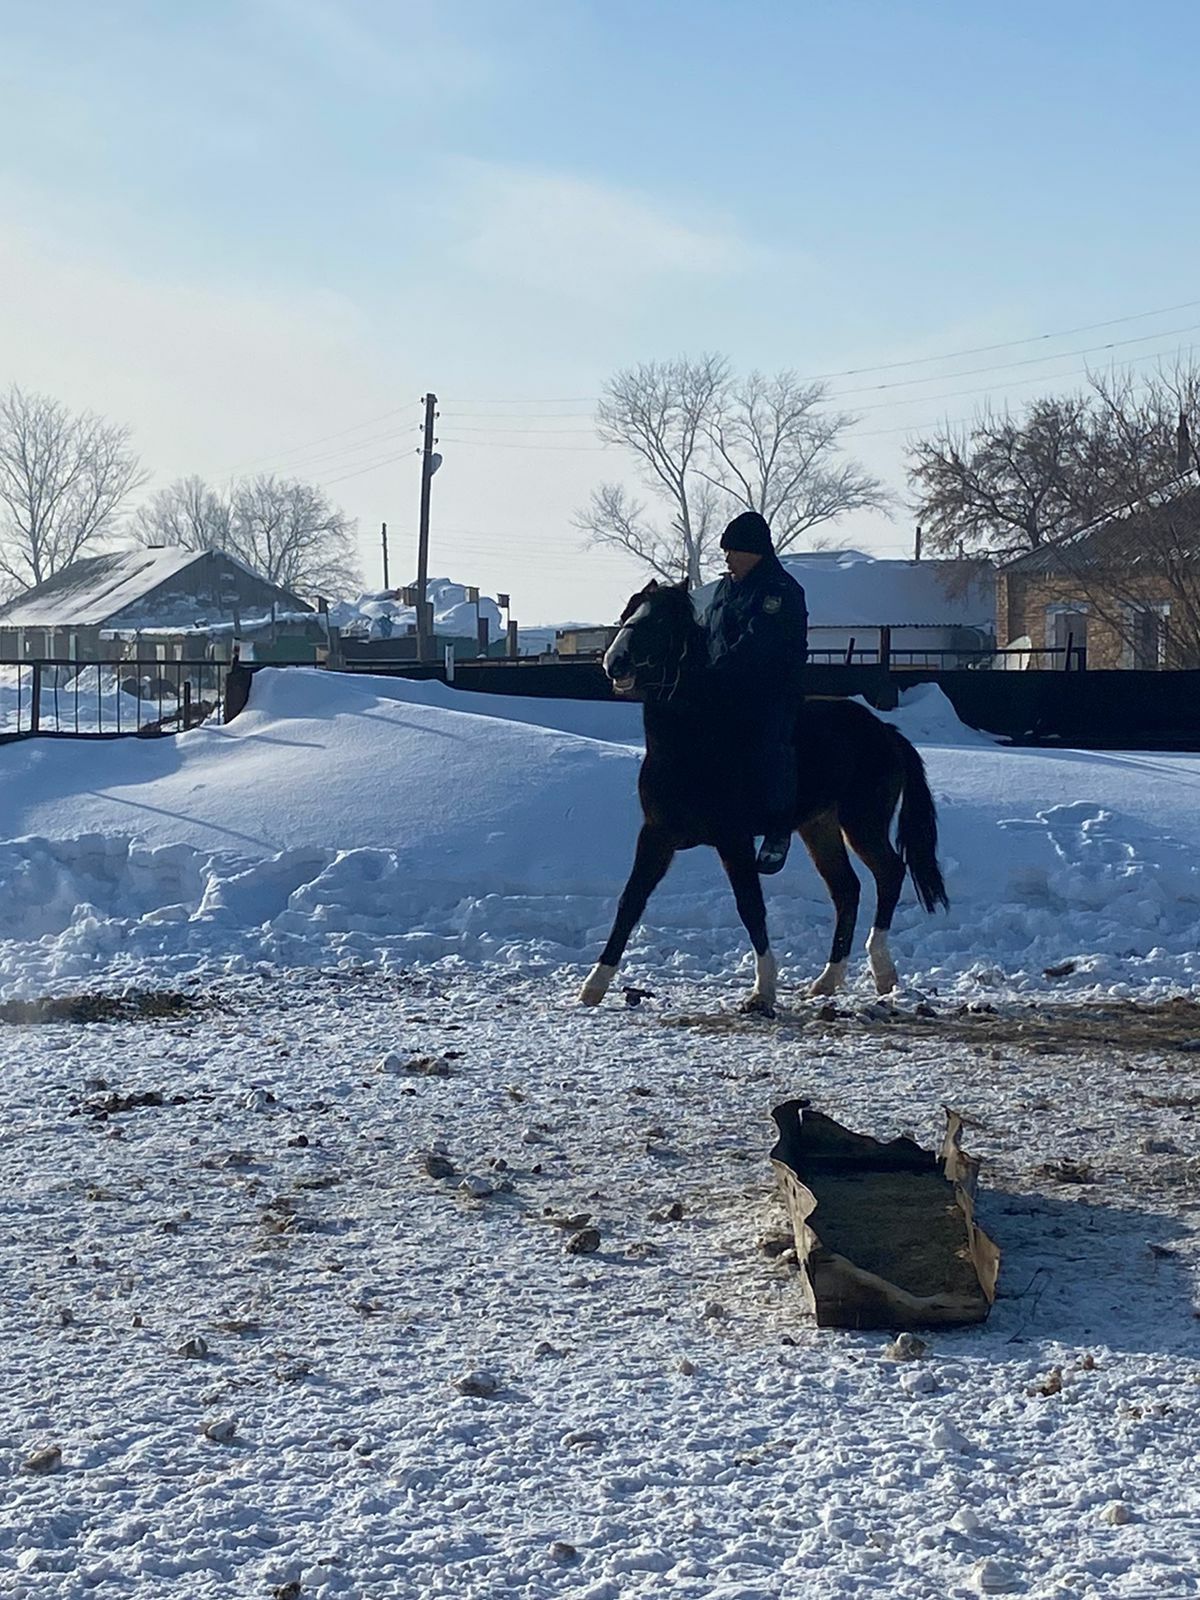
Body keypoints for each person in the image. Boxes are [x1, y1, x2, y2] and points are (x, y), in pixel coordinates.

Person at [705, 510, 808, 874]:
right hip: (723, 690)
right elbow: (710, 634)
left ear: (753, 552)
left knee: (770, 744)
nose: (727, 558)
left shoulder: (778, 591)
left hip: (769, 692)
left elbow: (760, 643)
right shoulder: (723, 589)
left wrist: (719, 671)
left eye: (732, 551)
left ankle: (779, 829)